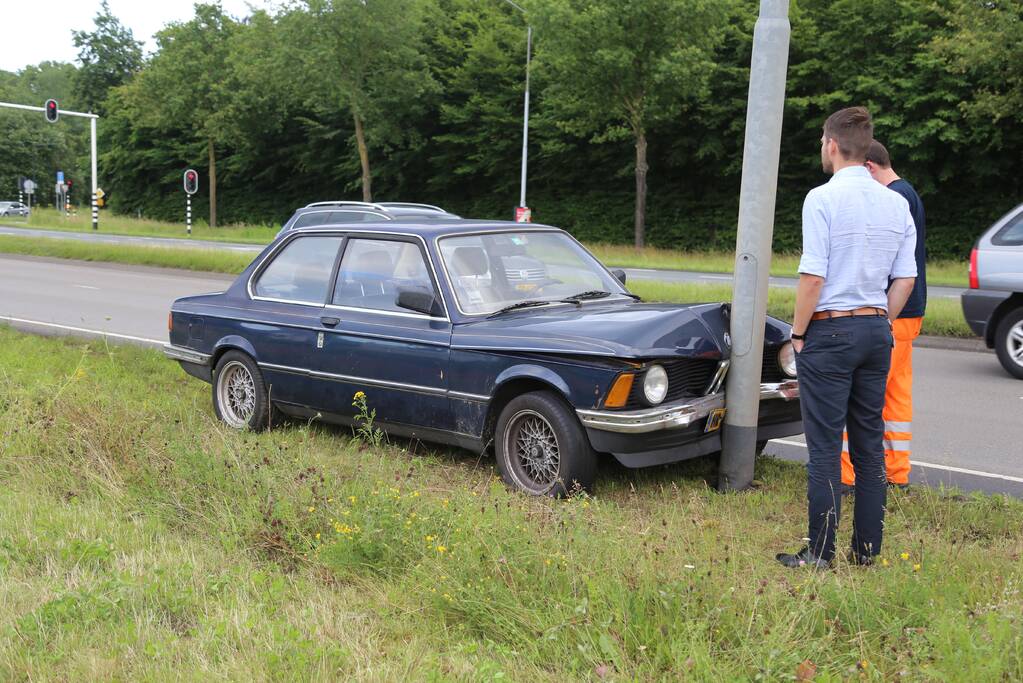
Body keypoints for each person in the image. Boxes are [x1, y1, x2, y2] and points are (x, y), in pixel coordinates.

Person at [776, 107, 917, 569]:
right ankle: (867, 551)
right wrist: (878, 319)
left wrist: (798, 335)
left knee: (823, 449)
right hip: (877, 329)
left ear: (833, 145)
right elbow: (906, 280)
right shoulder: (896, 202)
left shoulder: (821, 199)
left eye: (822, 141)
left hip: (830, 328)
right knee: (868, 444)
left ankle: (819, 554)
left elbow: (812, 278)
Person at [839, 140, 926, 490]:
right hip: (910, 309)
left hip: (892, 306)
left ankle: (847, 475)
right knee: (895, 395)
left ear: (870, 167)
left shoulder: (894, 198)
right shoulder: (909, 193)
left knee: (862, 394)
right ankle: (895, 470)